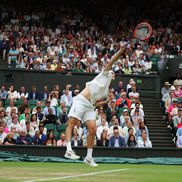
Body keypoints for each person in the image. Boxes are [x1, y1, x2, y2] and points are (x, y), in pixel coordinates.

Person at [64, 44, 129, 167]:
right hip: (81, 100)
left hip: (89, 106)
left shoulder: (105, 90)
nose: (113, 73)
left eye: (113, 73)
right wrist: (120, 52)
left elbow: (95, 103)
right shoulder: (103, 74)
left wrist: (106, 102)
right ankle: (68, 150)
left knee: (93, 129)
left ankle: (88, 157)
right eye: (112, 72)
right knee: (72, 122)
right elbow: (111, 61)